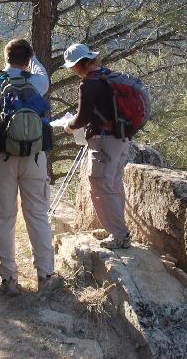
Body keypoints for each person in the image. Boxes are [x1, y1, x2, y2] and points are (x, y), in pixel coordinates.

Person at [0, 39, 60, 296]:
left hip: (1, 158)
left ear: (5, 56)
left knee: (4, 217)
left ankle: (9, 279)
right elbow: (41, 71)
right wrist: (34, 57)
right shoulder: (38, 82)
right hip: (34, 157)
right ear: (29, 58)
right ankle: (45, 275)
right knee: (38, 215)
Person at [63, 43, 132, 250]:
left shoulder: (89, 84)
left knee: (100, 184)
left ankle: (119, 235)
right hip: (121, 138)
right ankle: (117, 229)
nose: (73, 71)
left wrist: (69, 126)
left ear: (79, 65)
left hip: (103, 141)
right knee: (114, 184)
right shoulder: (108, 76)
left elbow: (82, 117)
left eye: (73, 66)